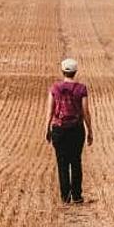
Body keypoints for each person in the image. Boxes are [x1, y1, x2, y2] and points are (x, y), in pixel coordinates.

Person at [45, 57, 93, 204]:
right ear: (75, 72)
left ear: (62, 71)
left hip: (59, 130)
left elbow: (50, 111)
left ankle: (65, 197)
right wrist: (90, 130)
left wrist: (46, 128)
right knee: (76, 161)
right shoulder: (81, 89)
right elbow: (85, 111)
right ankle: (77, 196)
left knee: (62, 163)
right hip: (76, 129)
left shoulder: (55, 88)